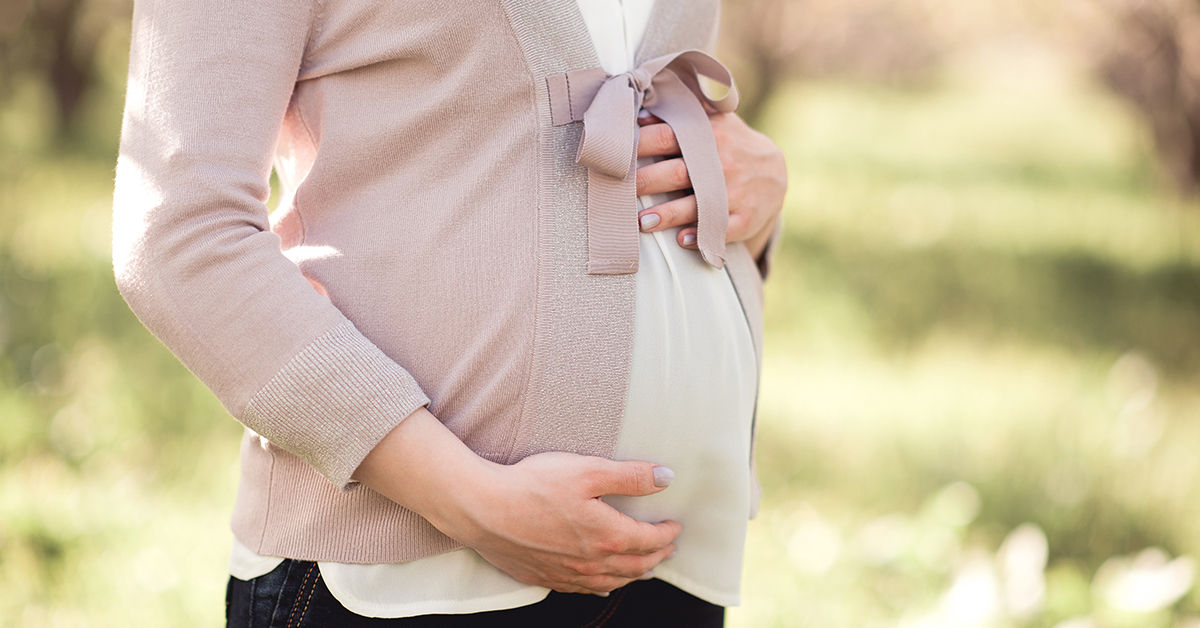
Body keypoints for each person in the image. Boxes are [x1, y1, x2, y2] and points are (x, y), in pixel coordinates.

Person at [111, 0, 787, 625]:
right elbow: (182, 235)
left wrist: (756, 185)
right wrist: (468, 499)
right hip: (399, 578)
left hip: (672, 567)